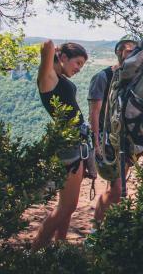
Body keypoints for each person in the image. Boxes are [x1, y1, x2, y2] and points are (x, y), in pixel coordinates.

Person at [33, 41, 89, 250]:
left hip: (75, 144)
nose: (78, 68)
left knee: (67, 207)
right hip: (68, 147)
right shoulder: (47, 78)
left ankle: (59, 245)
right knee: (67, 206)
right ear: (63, 57)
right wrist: (54, 52)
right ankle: (36, 251)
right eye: (78, 63)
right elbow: (47, 44)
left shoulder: (59, 79)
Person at [88, 35, 139, 224]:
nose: (133, 54)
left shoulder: (134, 79)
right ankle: (97, 229)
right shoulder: (103, 77)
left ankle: (107, 227)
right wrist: (96, 143)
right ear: (119, 53)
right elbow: (94, 113)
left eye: (136, 51)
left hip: (127, 139)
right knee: (116, 189)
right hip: (109, 139)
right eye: (128, 51)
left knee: (117, 188)